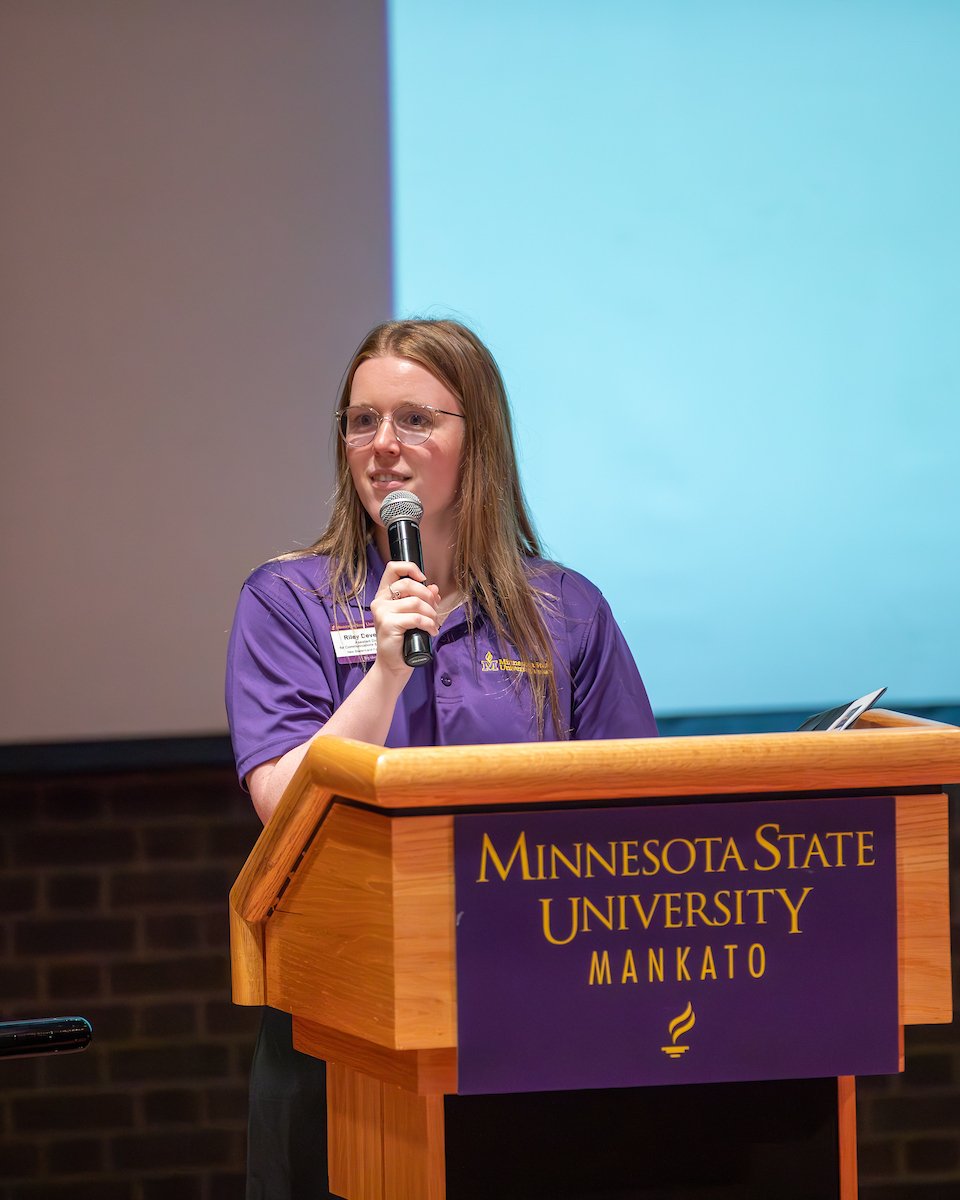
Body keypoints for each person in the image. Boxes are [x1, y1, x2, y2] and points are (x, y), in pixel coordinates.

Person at [225, 318, 658, 1198]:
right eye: (361, 421)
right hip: (344, 1010)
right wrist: (384, 673)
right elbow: (283, 802)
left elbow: (632, 805)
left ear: (479, 441)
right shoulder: (288, 600)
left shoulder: (565, 608)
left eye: (416, 419)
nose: (383, 445)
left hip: (531, 999)